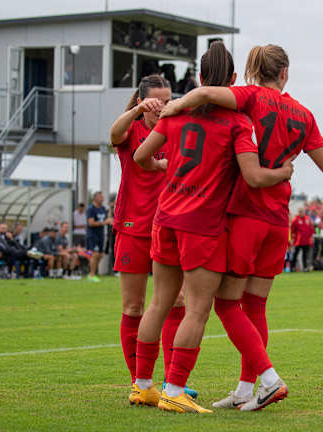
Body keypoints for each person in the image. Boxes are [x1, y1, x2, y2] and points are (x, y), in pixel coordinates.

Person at [161, 43, 323, 410]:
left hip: (246, 215)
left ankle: (269, 380)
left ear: (253, 71)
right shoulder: (304, 113)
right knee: (256, 306)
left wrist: (176, 106)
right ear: (285, 73)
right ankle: (246, 390)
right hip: (278, 220)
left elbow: (203, 92)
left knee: (226, 304)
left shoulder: (251, 97)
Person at [131, 42, 294, 413]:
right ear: (233, 81)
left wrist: (162, 166)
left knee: (157, 303)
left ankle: (142, 386)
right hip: (201, 226)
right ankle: (174, 389)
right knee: (198, 309)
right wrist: (283, 172)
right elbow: (252, 175)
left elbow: (141, 156)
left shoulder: (174, 116)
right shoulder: (238, 123)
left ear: (201, 78)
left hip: (165, 217)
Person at [109, 74, 190, 398]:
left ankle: (173, 382)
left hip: (168, 226)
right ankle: (140, 382)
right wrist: (136, 109)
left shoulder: (174, 128)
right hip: (132, 226)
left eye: (168, 99)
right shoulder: (132, 130)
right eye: (156, 101)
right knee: (133, 307)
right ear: (143, 101)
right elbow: (114, 133)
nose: (163, 106)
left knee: (178, 302)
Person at [86, 192, 112, 282]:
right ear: (95, 198)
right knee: (94, 254)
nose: (102, 199)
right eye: (101, 197)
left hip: (101, 234)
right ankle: (91, 274)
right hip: (93, 235)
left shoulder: (103, 208)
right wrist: (104, 223)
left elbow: (107, 218)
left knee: (100, 255)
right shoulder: (91, 209)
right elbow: (91, 223)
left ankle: (93, 272)